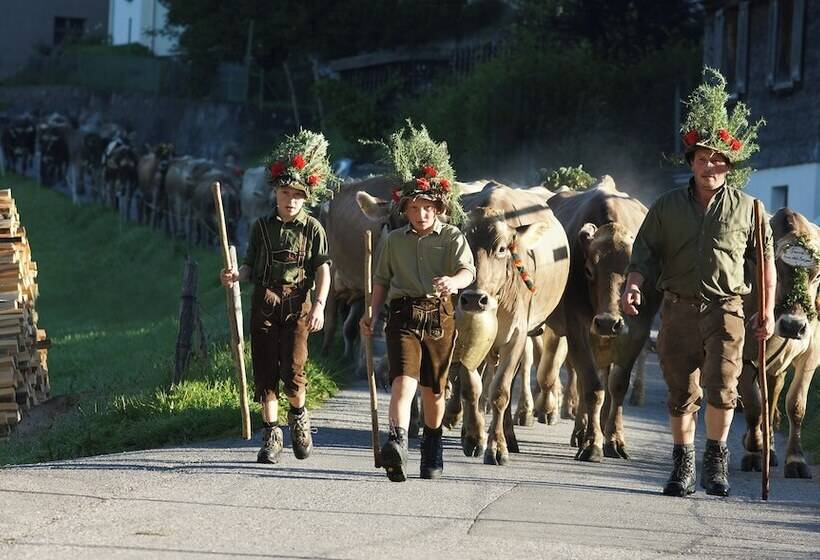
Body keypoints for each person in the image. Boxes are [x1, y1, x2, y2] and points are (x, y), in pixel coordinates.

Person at [621, 67, 774, 497]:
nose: (711, 166)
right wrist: (633, 285)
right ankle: (682, 465)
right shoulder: (666, 206)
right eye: (703, 158)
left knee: (723, 387)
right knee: (680, 389)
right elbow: (644, 252)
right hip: (678, 309)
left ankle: (716, 462)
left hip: (727, 310)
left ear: (730, 166)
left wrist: (765, 309)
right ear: (691, 163)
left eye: (719, 159)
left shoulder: (750, 208)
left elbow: (764, 263)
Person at [360, 122, 475, 482]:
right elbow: (381, 280)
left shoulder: (452, 236)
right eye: (414, 207)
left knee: (433, 390)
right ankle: (397, 444)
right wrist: (371, 312)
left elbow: (468, 271)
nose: (421, 214)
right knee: (402, 381)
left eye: (427, 207)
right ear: (405, 209)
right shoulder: (393, 240)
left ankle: (432, 445)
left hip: (440, 317)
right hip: (403, 315)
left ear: (438, 208)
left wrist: (453, 282)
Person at [221, 130, 335, 464]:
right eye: (286, 193)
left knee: (294, 370)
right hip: (265, 303)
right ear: (276, 192)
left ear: (305, 197)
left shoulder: (313, 228)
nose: (291, 200)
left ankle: (298, 418)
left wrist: (319, 306)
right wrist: (236, 275)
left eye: (298, 195)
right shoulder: (261, 227)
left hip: (299, 305)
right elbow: (249, 264)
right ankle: (271, 435)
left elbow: (323, 270)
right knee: (265, 370)